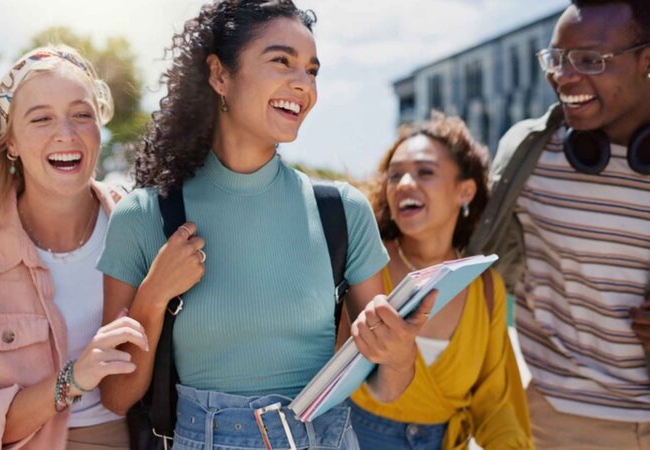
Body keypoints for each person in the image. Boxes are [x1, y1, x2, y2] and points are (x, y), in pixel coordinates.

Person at [96, 1, 433, 449]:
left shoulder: (343, 212)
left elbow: (388, 387)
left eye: (312, 71)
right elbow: (117, 396)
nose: (303, 84)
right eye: (281, 61)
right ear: (219, 75)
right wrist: (154, 296)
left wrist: (400, 350)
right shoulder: (144, 216)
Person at [468, 0, 650, 448]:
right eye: (556, 58)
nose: (563, 76)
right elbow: (476, 267)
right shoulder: (526, 152)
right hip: (548, 423)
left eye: (589, 60)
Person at [0, 46, 149, 449]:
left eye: (82, 114)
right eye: (41, 118)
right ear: (10, 142)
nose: (66, 134)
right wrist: (72, 379)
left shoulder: (143, 225)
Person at [346, 113, 533, 450]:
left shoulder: (486, 288)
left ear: (466, 191)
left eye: (425, 172)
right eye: (394, 175)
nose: (404, 184)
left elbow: (496, 405)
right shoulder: (364, 265)